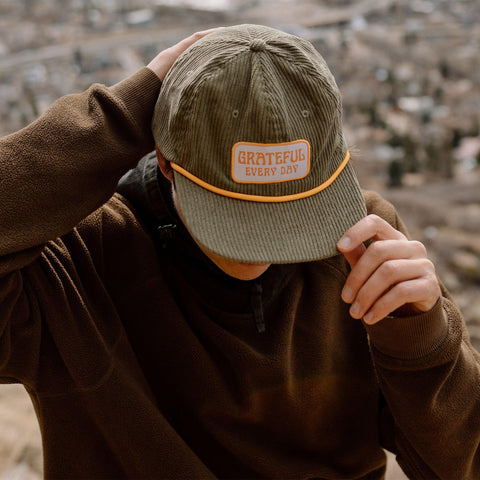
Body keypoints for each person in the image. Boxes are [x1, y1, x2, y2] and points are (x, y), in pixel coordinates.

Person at [0, 23, 479, 480]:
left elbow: (459, 468)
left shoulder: (365, 247)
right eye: (236, 214)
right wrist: (124, 113)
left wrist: (425, 344)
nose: (264, 244)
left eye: (294, 210)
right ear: (166, 161)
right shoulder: (79, 266)